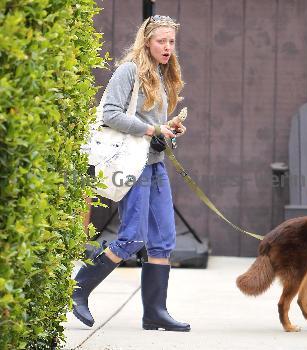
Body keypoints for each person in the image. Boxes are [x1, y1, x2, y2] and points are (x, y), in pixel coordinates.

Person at [72, 15, 190, 332]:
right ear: (147, 41)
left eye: (171, 42)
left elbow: (150, 124)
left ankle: (155, 313)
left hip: (155, 163)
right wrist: (152, 129)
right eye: (161, 41)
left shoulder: (165, 74)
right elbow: (109, 113)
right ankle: (78, 288)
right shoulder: (129, 71)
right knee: (132, 238)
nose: (167, 47)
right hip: (131, 165)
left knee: (163, 240)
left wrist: (168, 129)